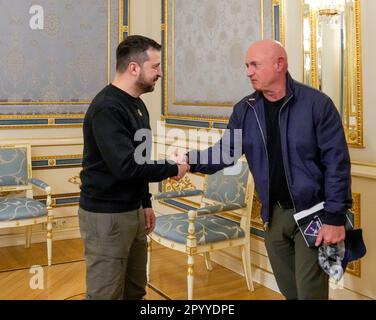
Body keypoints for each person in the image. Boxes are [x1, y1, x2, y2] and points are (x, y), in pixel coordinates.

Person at [178, 40, 352, 300]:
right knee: (290, 292)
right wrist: (187, 160)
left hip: (315, 214)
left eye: (255, 65)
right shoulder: (244, 110)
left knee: (310, 294)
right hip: (274, 216)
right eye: (247, 65)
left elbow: (337, 164)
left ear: (279, 64)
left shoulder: (317, 104)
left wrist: (335, 218)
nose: (248, 72)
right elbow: (225, 152)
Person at [78, 35, 190, 300]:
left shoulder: (138, 105)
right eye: (155, 66)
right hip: (106, 217)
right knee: (105, 295)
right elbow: (127, 167)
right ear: (133, 68)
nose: (160, 73)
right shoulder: (107, 107)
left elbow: (140, 158)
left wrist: (146, 202)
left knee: (135, 291)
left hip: (133, 211)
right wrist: (173, 168)